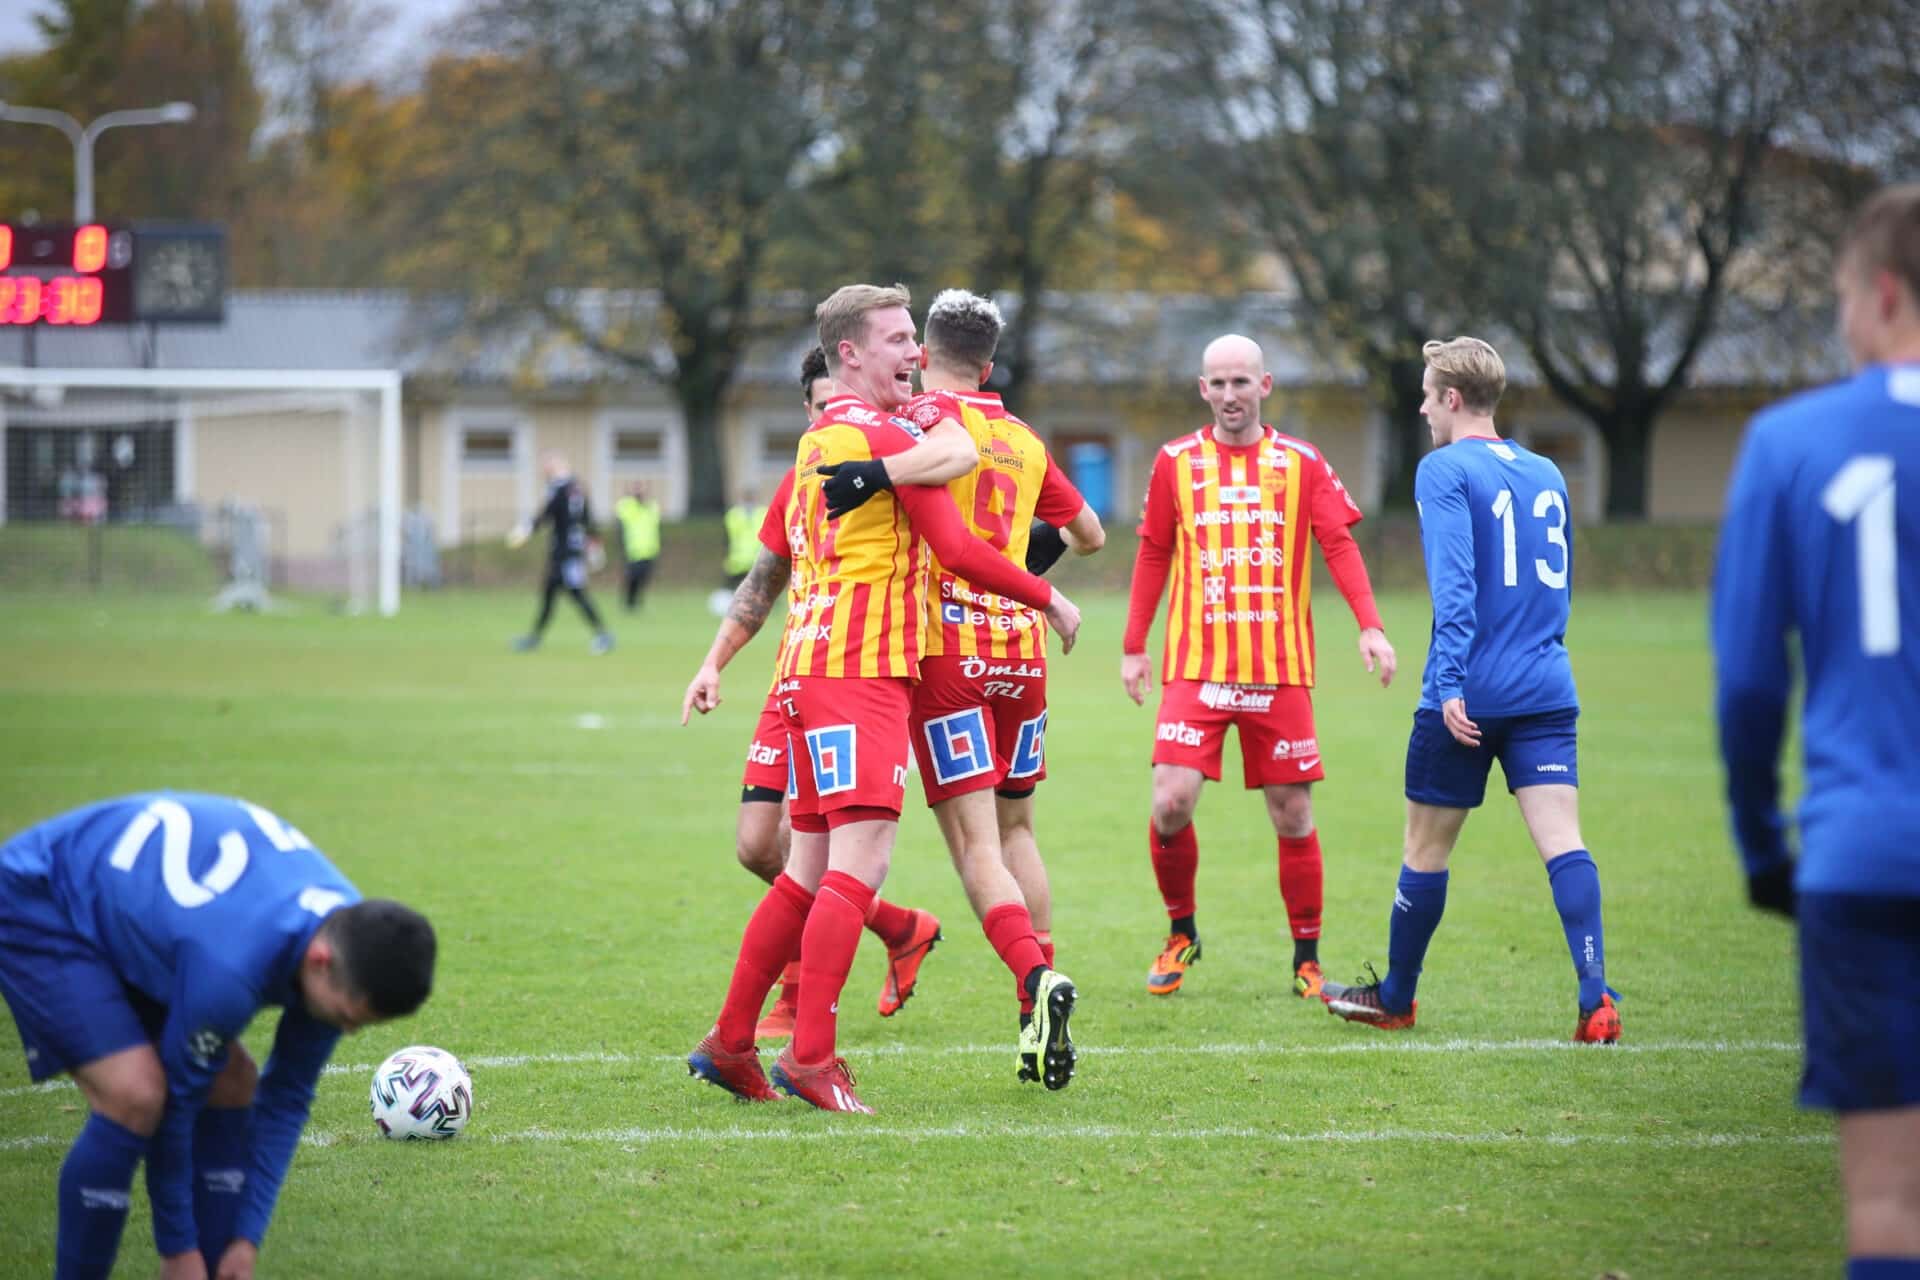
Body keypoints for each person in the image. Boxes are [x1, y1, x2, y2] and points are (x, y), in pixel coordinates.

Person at [686, 282, 1081, 1113]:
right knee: (858, 866)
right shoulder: (873, 429)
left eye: (917, 339)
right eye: (899, 341)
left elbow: (954, 456)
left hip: (809, 667)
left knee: (805, 871)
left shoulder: (832, 436)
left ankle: (730, 1044)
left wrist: (889, 462)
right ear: (851, 355)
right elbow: (958, 546)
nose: (915, 355)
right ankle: (811, 1058)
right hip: (861, 670)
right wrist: (1048, 598)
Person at [1711, 184, 1920, 1271]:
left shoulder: (1792, 441)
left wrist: (1762, 845)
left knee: (1890, 1203)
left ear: (1881, 293)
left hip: (1861, 853)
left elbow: (1749, 683)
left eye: (1841, 294)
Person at [0, 792, 436, 1280]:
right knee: (136, 1093)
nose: (349, 1031)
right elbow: (177, 1109)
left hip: (152, 918)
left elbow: (287, 1097)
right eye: (350, 1016)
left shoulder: (349, 938)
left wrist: (245, 1240)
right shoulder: (231, 971)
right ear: (319, 961)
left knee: (232, 1083)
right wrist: (176, 1249)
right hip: (42, 897)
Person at [1320, 336, 1616, 1043]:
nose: (1422, 408)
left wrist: (1449, 679)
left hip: (1470, 693)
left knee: (1425, 850)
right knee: (1564, 843)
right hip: (1547, 686)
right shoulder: (1548, 472)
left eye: (1426, 395)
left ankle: (1395, 997)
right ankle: (1596, 999)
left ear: (1453, 399)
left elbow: (1455, 589)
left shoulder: (1444, 470)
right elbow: (1560, 585)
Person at [684, 346, 948, 1044]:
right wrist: (713, 662)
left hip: (856, 676)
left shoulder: (890, 460)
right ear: (809, 413)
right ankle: (897, 927)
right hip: (796, 681)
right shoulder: (803, 476)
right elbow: (762, 582)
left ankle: (794, 1007)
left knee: (819, 857)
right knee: (758, 848)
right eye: (825, 405)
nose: (839, 415)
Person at [1122, 334, 1396, 1002]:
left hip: (1278, 671)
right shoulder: (1174, 462)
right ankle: (1181, 932)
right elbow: (1155, 552)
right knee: (1169, 803)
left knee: (1292, 814)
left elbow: (1337, 542)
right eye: (1217, 383)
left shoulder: (1301, 461)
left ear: (1266, 386)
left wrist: (1370, 625)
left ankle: (1306, 959)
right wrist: (1135, 644)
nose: (1229, 395)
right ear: (1202, 389)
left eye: (1241, 382)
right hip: (1198, 669)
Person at [900, 288, 1105, 1088]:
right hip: (1022, 652)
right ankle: (1035, 1019)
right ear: (989, 366)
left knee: (975, 846)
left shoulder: (918, 423)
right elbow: (1089, 536)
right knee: (1019, 832)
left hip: (946, 655)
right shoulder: (1022, 440)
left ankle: (1034, 984)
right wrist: (1024, 574)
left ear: (923, 354)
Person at [511, 452, 614, 655]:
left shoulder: (558, 489)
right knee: (549, 593)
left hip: (565, 553)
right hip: (571, 550)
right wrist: (594, 544)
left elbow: (548, 513)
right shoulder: (578, 488)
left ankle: (603, 634)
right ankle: (534, 637)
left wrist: (526, 528)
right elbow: (588, 519)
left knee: (576, 593)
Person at [613, 480, 662, 611]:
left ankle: (637, 602)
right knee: (632, 577)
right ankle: (629, 603)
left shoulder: (651, 506)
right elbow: (620, 513)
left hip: (649, 549)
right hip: (633, 550)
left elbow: (655, 521)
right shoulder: (628, 506)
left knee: (644, 578)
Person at [722, 488, 765, 589]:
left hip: (741, 561)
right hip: (746, 562)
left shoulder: (733, 515)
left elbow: (726, 540)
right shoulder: (764, 513)